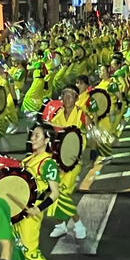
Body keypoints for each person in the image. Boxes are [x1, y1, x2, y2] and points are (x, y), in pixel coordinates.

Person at [7, 123, 62, 260]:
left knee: (30, 249)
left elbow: (54, 193)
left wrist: (38, 208)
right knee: (15, 246)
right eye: (33, 135)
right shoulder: (26, 160)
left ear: (47, 140)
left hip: (32, 210)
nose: (33, 138)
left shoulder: (48, 163)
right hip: (17, 210)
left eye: (37, 136)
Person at [48, 85, 88, 239]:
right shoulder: (57, 115)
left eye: (70, 95)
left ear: (76, 98)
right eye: (64, 95)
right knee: (54, 192)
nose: (66, 99)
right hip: (58, 160)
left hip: (73, 161)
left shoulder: (82, 115)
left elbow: (91, 133)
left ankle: (79, 225)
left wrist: (90, 155)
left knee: (62, 193)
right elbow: (51, 132)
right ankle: (60, 225)